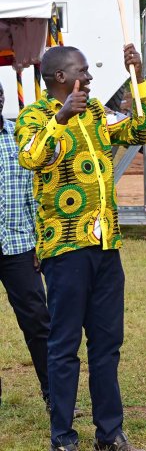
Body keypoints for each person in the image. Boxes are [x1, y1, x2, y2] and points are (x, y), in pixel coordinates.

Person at [15, 44, 146, 451]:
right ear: (61, 78)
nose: (90, 77)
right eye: (83, 71)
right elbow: (31, 157)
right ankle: (63, 436)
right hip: (65, 251)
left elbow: (139, 131)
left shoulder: (95, 114)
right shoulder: (34, 116)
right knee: (63, 348)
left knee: (107, 344)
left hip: (106, 245)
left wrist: (137, 78)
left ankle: (109, 433)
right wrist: (60, 117)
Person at [0, 82, 51, 411]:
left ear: (2, 98)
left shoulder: (20, 137)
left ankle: (54, 395)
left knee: (37, 320)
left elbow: (39, 190)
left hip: (19, 244)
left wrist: (41, 242)